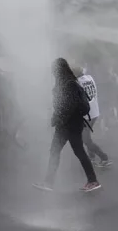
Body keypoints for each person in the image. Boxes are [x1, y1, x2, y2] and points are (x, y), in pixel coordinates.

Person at [33, 58, 101, 193]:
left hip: (69, 125)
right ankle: (49, 182)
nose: (53, 73)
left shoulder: (69, 84)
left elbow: (68, 106)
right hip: (68, 124)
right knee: (59, 151)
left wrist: (57, 118)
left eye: (54, 70)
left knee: (70, 152)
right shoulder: (68, 82)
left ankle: (91, 181)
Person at [72, 66, 112, 167]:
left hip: (87, 115)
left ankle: (104, 158)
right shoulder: (89, 78)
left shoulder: (76, 83)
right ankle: (91, 157)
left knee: (86, 139)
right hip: (94, 112)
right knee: (86, 136)